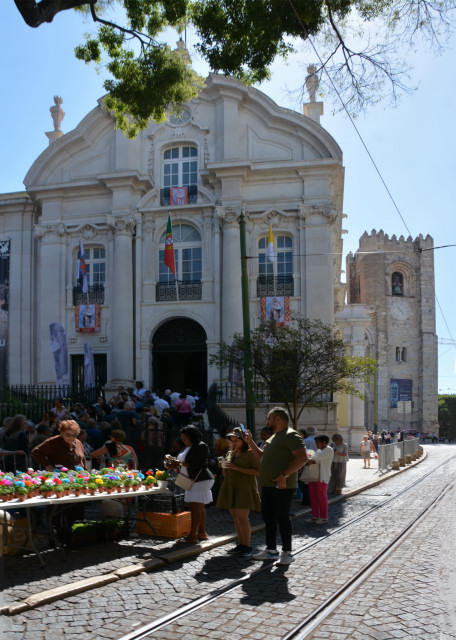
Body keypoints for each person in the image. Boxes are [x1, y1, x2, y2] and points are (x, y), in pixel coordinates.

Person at [244, 407, 307, 566]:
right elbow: (261, 457)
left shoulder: (291, 435)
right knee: (269, 518)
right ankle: (271, 550)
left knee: (283, 518)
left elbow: (302, 458)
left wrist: (283, 475)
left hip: (282, 485)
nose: (267, 422)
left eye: (269, 418)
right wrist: (250, 442)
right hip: (268, 485)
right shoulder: (273, 438)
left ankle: (287, 552)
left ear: (278, 419)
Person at [165, 425, 214, 544]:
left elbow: (197, 464)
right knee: (199, 506)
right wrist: (173, 464)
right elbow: (183, 464)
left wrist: (179, 463)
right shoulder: (188, 447)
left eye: (186, 438)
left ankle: (193, 536)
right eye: (183, 438)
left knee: (195, 506)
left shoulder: (201, 446)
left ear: (193, 436)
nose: (184, 440)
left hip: (200, 480)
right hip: (192, 479)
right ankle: (201, 532)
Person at [216, 429, 261, 558]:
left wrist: (238, 468)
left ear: (243, 441)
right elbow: (226, 472)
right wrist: (223, 466)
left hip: (244, 488)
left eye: (236, 441)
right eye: (232, 441)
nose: (233, 443)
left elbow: (257, 472)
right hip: (231, 486)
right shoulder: (231, 453)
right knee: (235, 517)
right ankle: (241, 544)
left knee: (242, 517)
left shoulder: (250, 453)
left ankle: (247, 545)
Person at [305, 434, 334, 524]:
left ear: (324, 443)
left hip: (322, 476)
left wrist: (307, 454)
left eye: (318, 443)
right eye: (316, 442)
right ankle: (315, 515)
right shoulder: (318, 451)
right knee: (313, 497)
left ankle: (324, 517)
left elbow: (314, 458)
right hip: (314, 475)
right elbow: (313, 459)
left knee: (322, 497)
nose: (316, 444)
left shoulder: (328, 450)